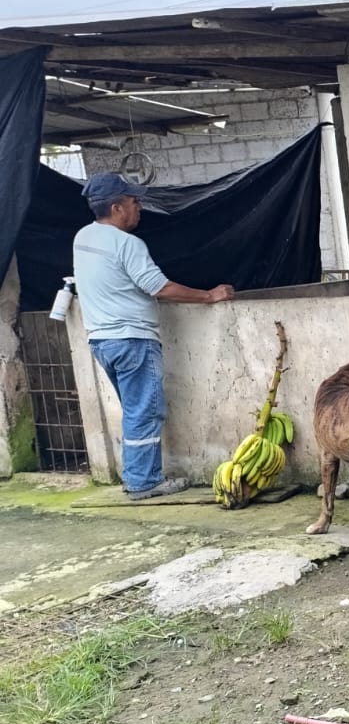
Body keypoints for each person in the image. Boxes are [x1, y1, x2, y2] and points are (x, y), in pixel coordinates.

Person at [72, 172, 234, 499]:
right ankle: (143, 482)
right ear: (117, 208)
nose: (140, 207)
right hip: (132, 340)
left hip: (101, 340)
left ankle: (136, 476)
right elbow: (159, 287)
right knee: (145, 411)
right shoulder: (127, 243)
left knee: (135, 410)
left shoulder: (83, 237)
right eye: (134, 202)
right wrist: (209, 296)